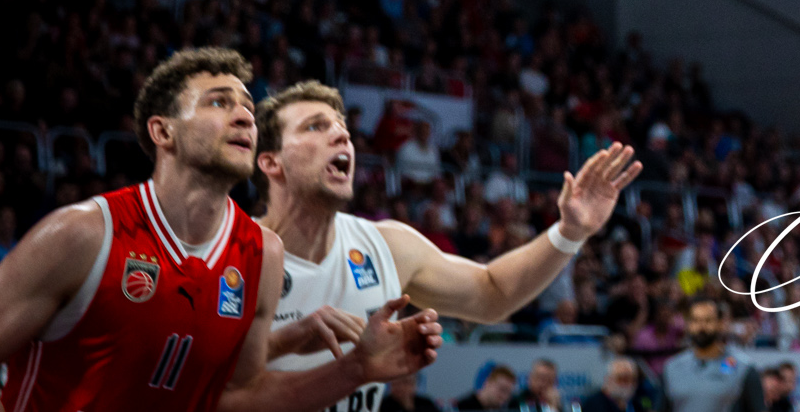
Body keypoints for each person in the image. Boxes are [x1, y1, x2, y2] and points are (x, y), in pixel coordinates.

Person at [0, 47, 442, 412]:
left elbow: (239, 397)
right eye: (219, 102)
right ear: (163, 133)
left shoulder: (262, 253)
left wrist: (358, 369)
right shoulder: (83, 235)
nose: (244, 116)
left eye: (247, 106)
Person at [253, 80, 641, 412]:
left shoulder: (387, 245)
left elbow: (493, 294)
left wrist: (570, 231)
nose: (341, 136)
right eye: (315, 127)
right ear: (271, 163)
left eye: (342, 128)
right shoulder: (230, 251)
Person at [664, 296, 762, 412]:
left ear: (720, 323)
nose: (701, 327)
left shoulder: (743, 368)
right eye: (695, 320)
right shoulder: (672, 368)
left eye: (708, 320)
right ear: (688, 324)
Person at [585, 356, 664, 412]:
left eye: (633, 379)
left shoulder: (637, 405)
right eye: (623, 379)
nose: (629, 384)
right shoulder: (593, 405)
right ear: (608, 380)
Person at [458, 365, 522, 410]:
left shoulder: (510, 407)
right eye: (502, 389)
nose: (505, 397)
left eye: (509, 393)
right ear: (488, 383)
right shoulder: (462, 408)